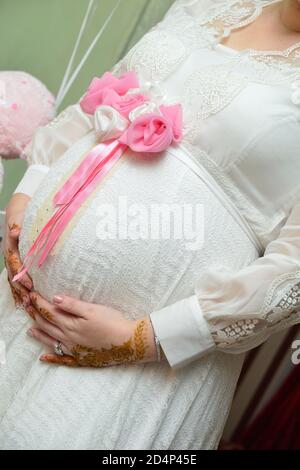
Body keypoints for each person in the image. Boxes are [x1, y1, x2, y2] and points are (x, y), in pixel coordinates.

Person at [1, 0, 300, 449]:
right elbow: (100, 102)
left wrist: (143, 339)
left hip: (143, 367)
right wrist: (29, 193)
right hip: (19, 297)